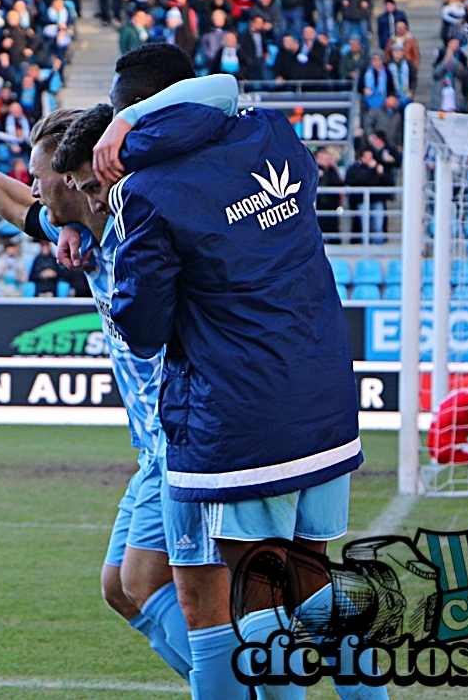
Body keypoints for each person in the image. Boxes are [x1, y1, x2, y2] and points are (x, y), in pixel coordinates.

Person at [90, 43, 373, 700]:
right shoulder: (271, 132)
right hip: (324, 396)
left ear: (120, 115)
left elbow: (142, 328)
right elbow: (223, 89)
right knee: (310, 582)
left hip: (240, 416)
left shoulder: (147, 191)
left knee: (236, 600)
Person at [0, 98, 217, 686]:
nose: (32, 185)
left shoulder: (145, 231)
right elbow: (12, 203)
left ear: (78, 177)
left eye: (41, 175)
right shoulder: (76, 227)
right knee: (120, 589)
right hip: (152, 449)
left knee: (164, 587)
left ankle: (235, 688)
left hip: (186, 435)